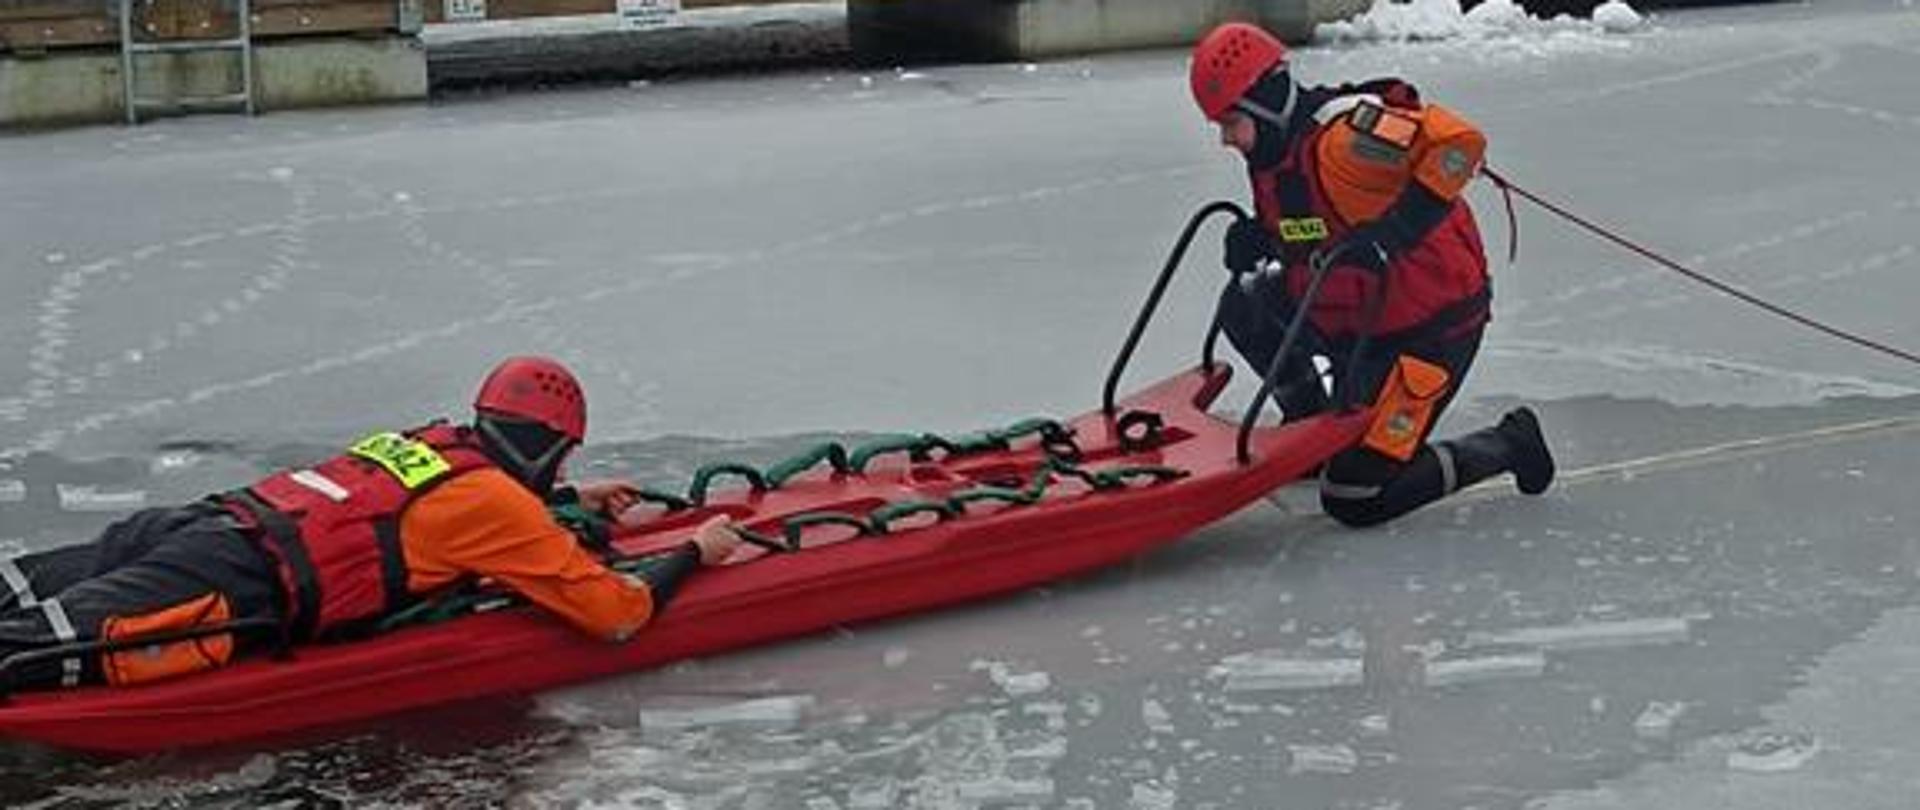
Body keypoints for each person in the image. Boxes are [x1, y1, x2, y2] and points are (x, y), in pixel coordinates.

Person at [0, 356, 741, 691]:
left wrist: (565, 499)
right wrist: (695, 551)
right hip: (244, 581)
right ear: (547, 446)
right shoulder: (497, 503)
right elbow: (616, 615)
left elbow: (425, 513)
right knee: (23, 656)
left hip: (211, 523)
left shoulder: (427, 442)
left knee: (23, 591)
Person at [1190, 22, 1555, 527]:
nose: (1226, 139)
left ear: (1265, 104)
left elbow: (1460, 146)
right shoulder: (1277, 151)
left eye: (1231, 122)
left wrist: (1395, 231)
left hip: (1427, 336)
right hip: (1356, 320)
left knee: (1356, 493)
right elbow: (1317, 224)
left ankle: (1510, 442)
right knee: (1245, 305)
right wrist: (1266, 238)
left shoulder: (1348, 142)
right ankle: (1310, 429)